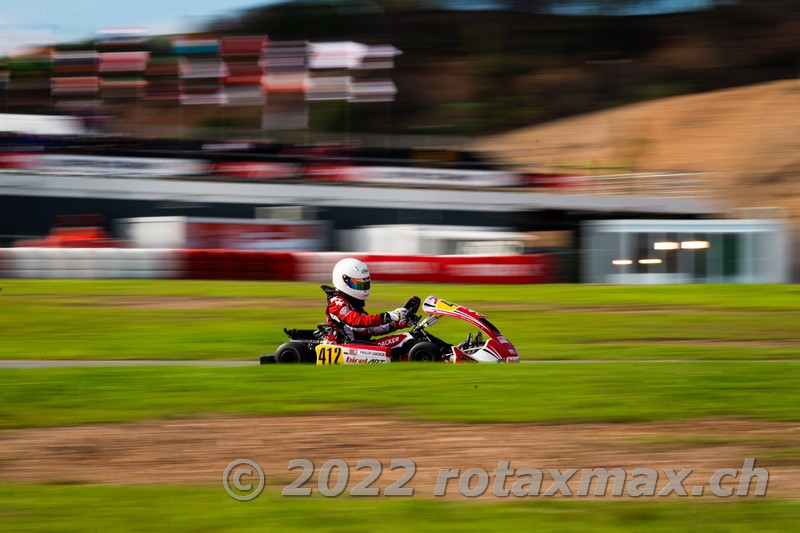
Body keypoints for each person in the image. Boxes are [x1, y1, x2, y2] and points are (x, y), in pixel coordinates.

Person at [322, 257, 410, 343]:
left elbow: (370, 329)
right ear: (344, 281)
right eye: (358, 284)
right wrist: (389, 316)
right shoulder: (336, 303)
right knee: (406, 339)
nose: (363, 289)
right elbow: (357, 321)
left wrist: (398, 324)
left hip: (363, 346)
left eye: (364, 284)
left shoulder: (353, 303)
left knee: (406, 338)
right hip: (349, 348)